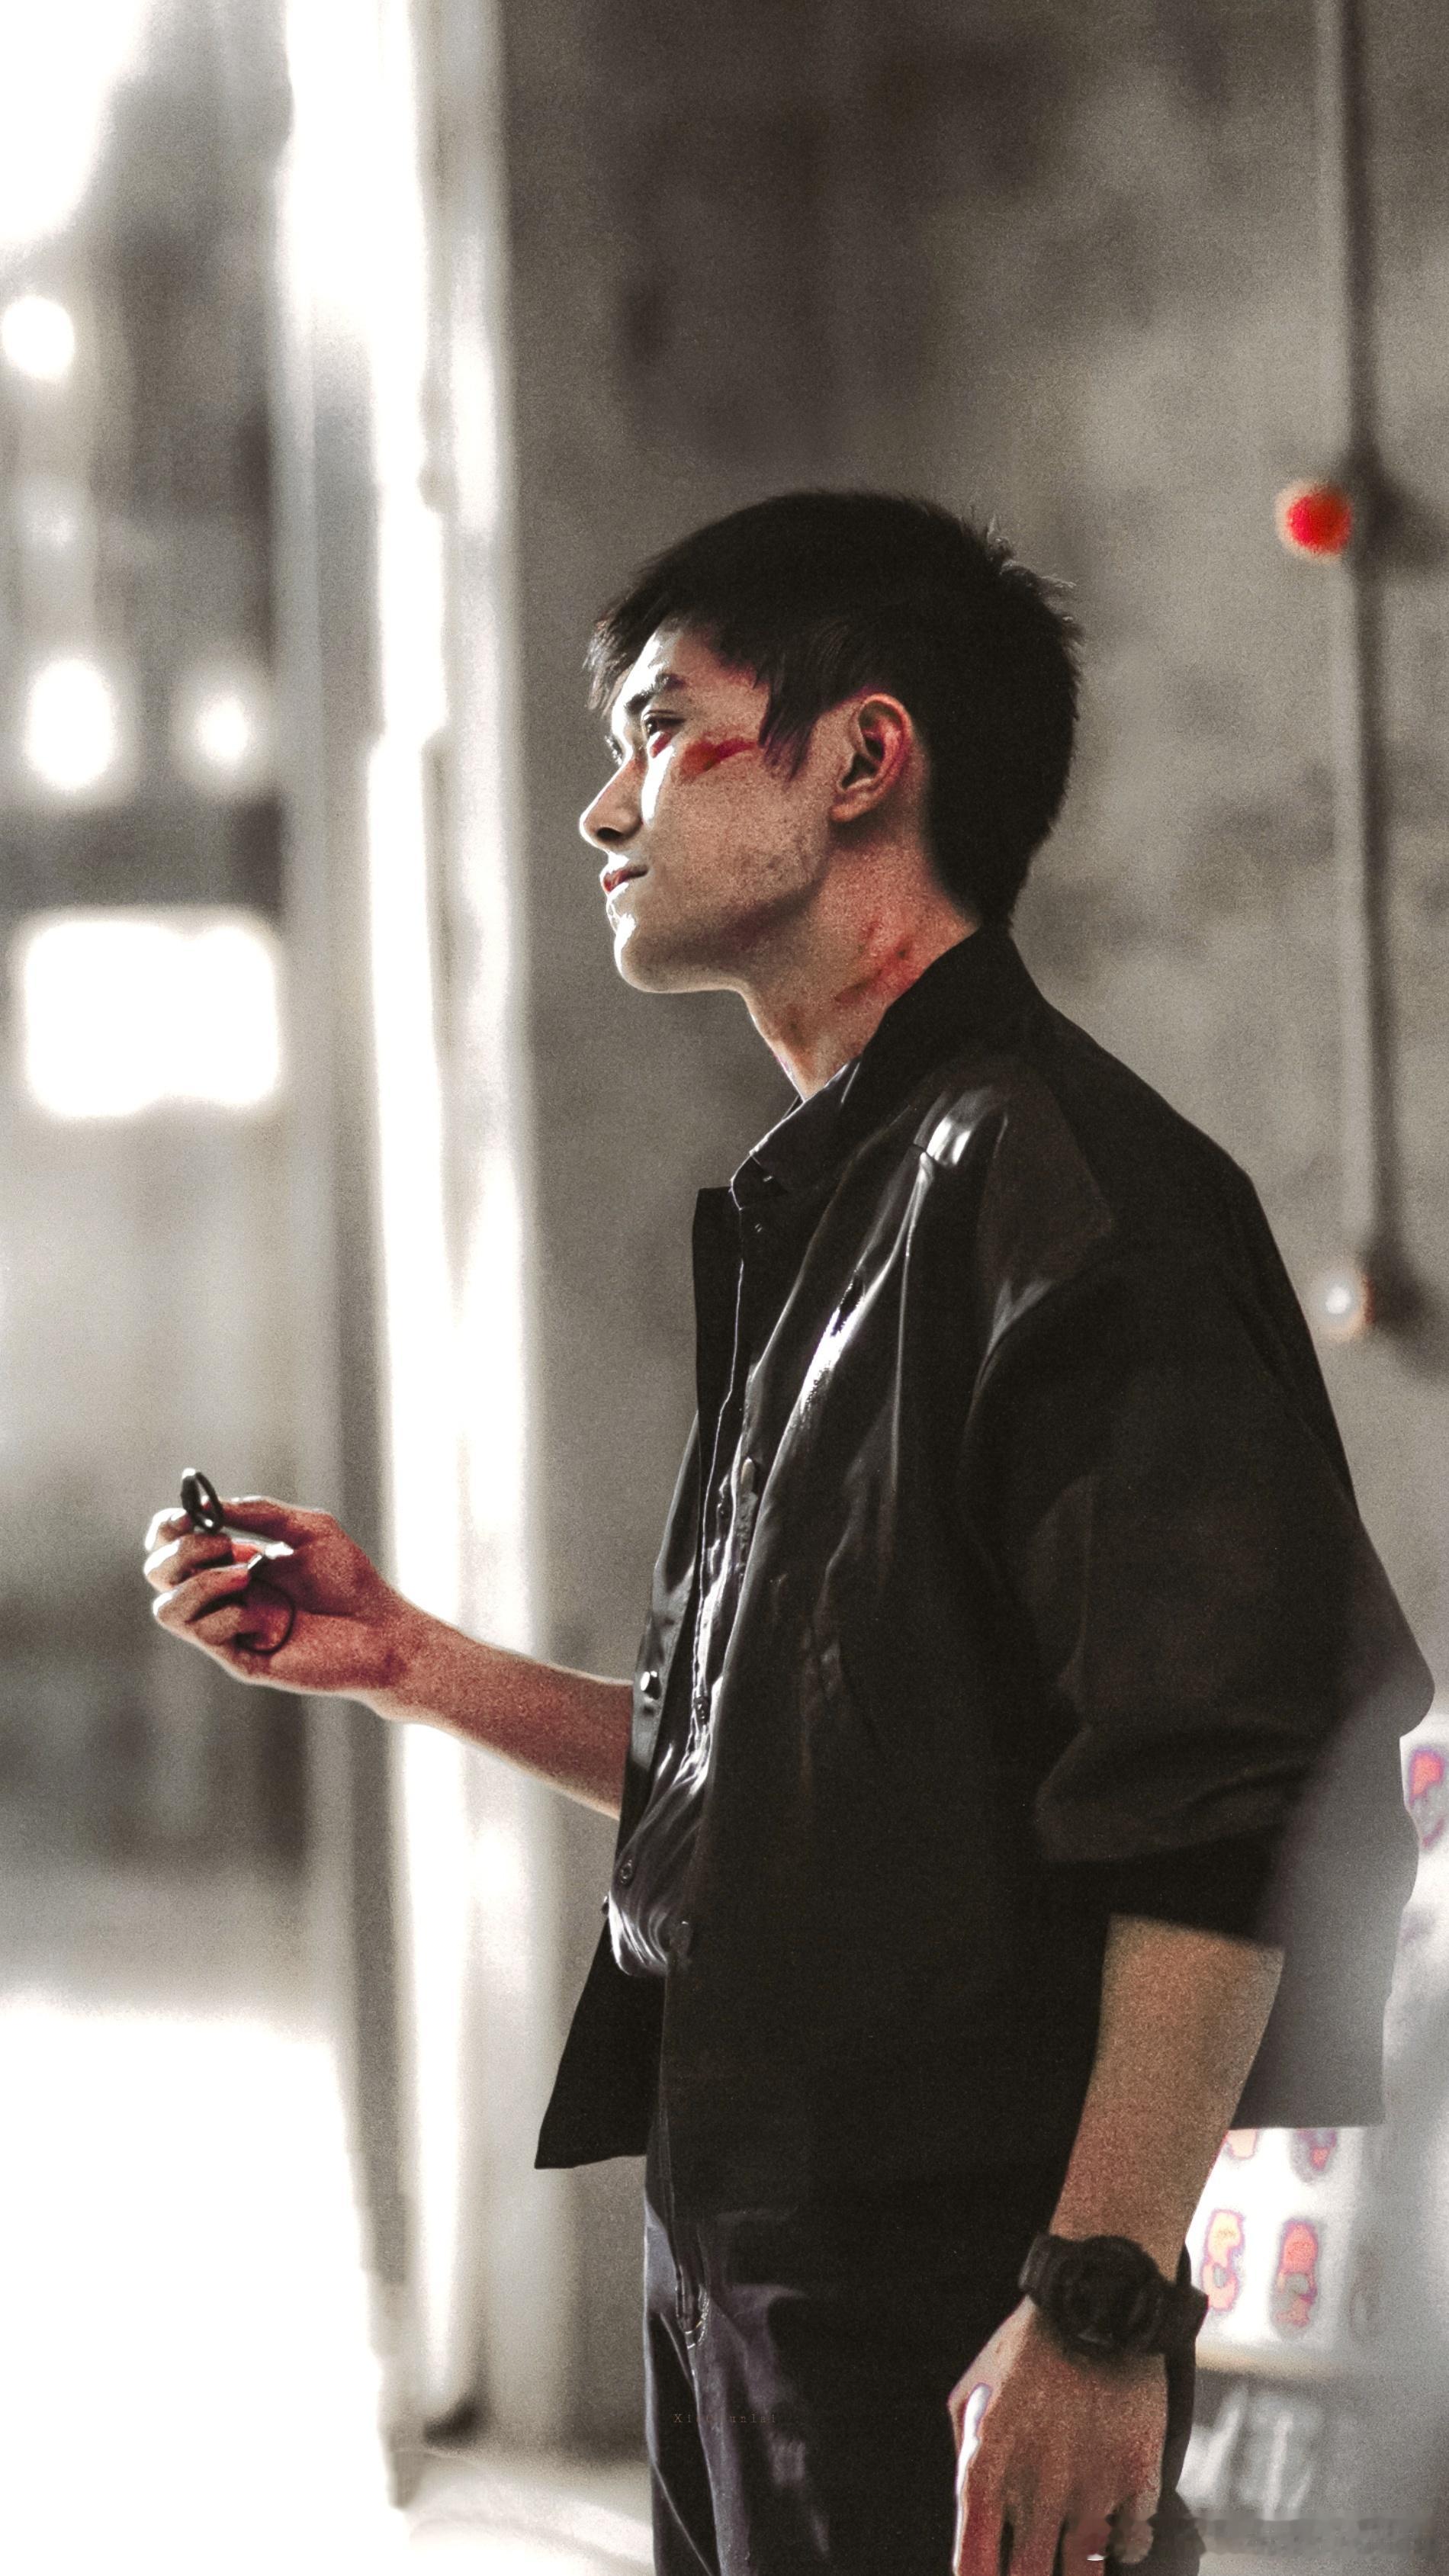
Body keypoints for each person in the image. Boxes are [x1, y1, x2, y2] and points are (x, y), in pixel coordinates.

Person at [145, 491, 1432, 2576]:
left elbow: (1225, 1798)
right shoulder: (852, 1201)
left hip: (954, 2312)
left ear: (860, 756)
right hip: (759, 2278)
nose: (604, 807)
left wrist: (1098, 2307)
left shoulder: (1061, 1196)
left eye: (663, 728)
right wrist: (406, 1660)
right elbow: (791, 1786)